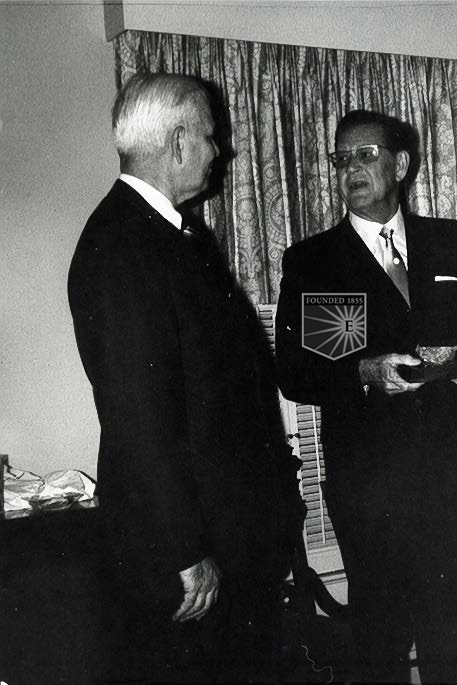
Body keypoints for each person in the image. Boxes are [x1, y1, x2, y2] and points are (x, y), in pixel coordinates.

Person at [68, 72, 301, 683]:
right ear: (177, 142)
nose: (219, 150)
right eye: (209, 136)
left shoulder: (176, 235)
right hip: (188, 546)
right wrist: (185, 550)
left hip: (226, 530)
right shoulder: (121, 246)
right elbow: (139, 418)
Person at [275, 109, 457, 684]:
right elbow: (299, 372)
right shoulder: (318, 260)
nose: (350, 169)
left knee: (449, 638)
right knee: (380, 641)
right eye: (340, 159)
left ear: (400, 164)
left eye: (365, 155)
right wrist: (364, 370)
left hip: (453, 475)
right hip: (371, 487)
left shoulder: (452, 241)